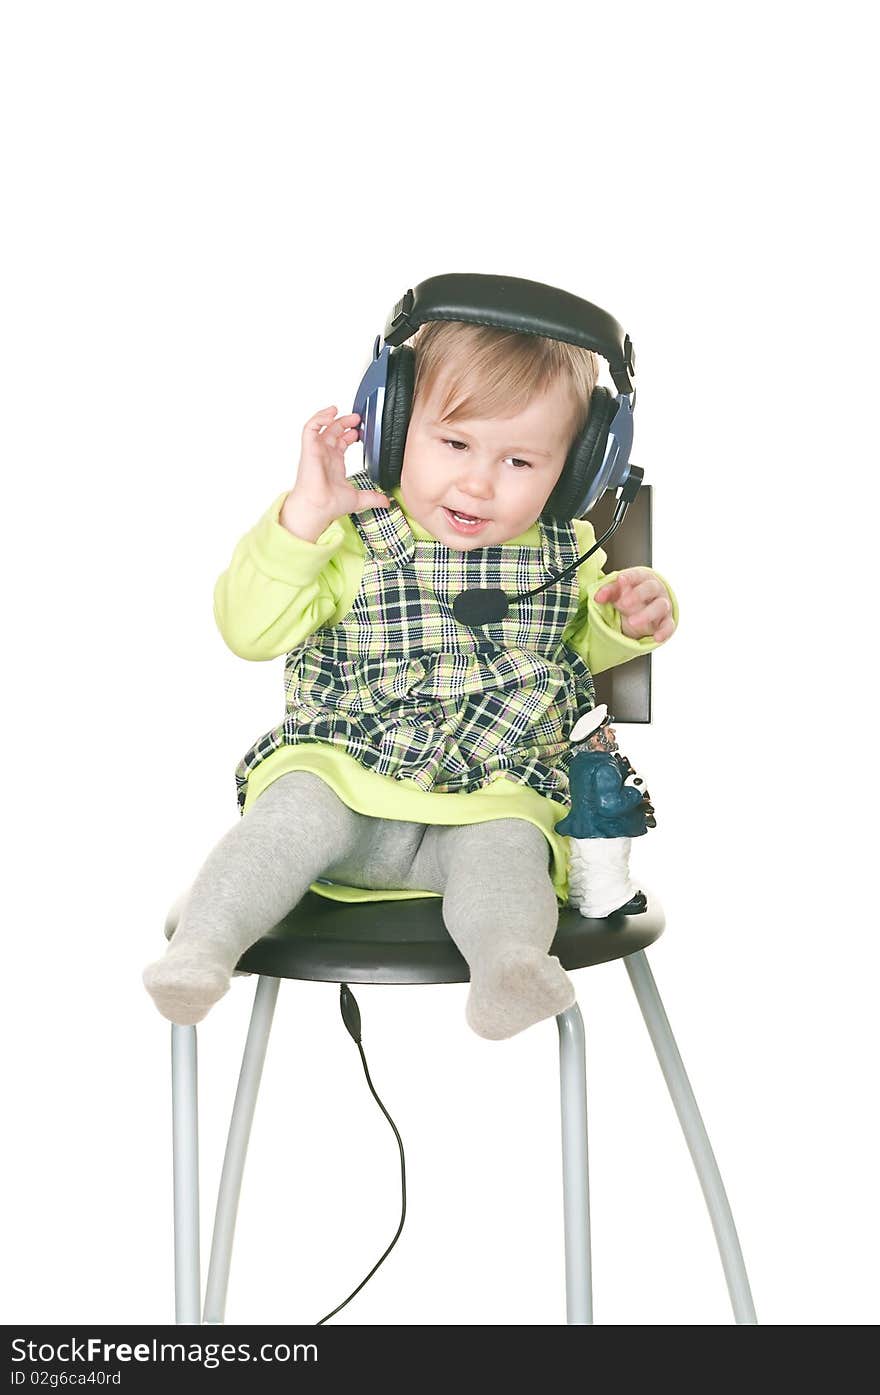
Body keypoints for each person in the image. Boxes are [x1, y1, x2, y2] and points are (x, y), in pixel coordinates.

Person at [143, 318, 678, 1039]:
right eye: (455, 443)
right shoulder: (347, 529)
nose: (478, 481)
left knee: (512, 846)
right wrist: (301, 522)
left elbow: (571, 657)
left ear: (578, 469)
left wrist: (622, 622)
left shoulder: (566, 551)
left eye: (520, 462)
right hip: (346, 781)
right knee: (289, 814)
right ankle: (203, 950)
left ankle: (508, 968)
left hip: (485, 795)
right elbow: (248, 630)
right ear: (394, 428)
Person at [556, 703, 656, 918]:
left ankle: (579, 896)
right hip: (605, 832)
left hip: (581, 828)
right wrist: (634, 790)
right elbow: (610, 806)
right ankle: (607, 902)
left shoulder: (579, 763)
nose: (613, 733)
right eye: (608, 730)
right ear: (595, 739)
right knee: (608, 865)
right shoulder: (604, 767)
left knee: (583, 865)